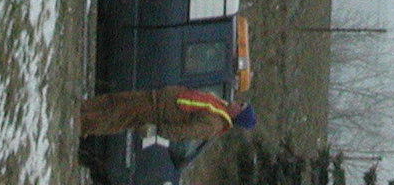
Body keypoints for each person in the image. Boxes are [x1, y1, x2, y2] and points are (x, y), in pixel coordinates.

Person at [79, 86, 259, 142]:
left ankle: (80, 124)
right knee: (116, 100)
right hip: (155, 98)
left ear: (238, 115)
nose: (237, 102)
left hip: (156, 112)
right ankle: (83, 108)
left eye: (241, 106)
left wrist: (157, 130)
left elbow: (185, 132)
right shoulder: (220, 105)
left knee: (116, 117)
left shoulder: (214, 124)